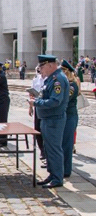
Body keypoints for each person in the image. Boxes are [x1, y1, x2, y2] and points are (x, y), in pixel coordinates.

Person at [28, 55, 69, 188]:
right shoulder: (51, 79)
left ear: (51, 65)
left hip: (54, 119)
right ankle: (52, 174)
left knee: (54, 149)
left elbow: (55, 101)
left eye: (42, 66)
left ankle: (57, 178)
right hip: (47, 119)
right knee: (48, 148)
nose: (40, 69)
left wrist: (36, 102)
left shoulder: (58, 80)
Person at [60, 59, 79, 178]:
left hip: (69, 117)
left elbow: (65, 99)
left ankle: (66, 169)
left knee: (67, 144)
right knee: (61, 143)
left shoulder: (72, 86)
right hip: (64, 116)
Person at [29, 67, 46, 166]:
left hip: (45, 107)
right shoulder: (36, 79)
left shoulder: (49, 79)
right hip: (37, 107)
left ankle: (46, 151)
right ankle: (42, 150)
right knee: (37, 129)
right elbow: (32, 93)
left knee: (45, 131)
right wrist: (30, 107)